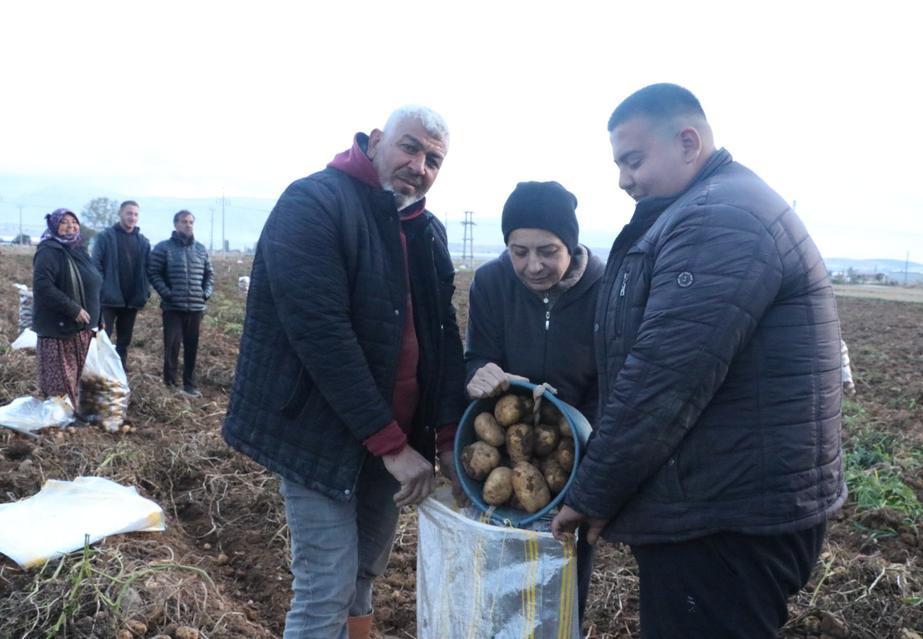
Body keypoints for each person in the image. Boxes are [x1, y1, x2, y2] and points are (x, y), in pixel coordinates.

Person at [551, 83, 846, 638]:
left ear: (689, 141)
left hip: (724, 519)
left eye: (633, 160)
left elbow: (664, 379)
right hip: (719, 503)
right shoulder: (708, 208)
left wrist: (593, 492)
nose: (623, 179)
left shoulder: (720, 219)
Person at [221, 105, 466, 639]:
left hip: (393, 436)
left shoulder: (426, 230)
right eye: (410, 147)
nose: (419, 166)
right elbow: (321, 334)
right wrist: (392, 447)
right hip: (322, 431)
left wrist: (446, 433)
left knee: (362, 575)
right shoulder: (314, 202)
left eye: (433, 160)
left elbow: (443, 335)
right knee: (325, 585)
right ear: (377, 140)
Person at [461, 180, 603, 632]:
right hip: (507, 442)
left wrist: (588, 449)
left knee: (564, 584)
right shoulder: (491, 282)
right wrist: (479, 372)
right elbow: (475, 358)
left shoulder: (607, 285)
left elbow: (614, 379)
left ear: (572, 244)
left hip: (574, 454)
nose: (533, 265)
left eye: (548, 250)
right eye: (519, 251)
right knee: (500, 584)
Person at [31, 208, 103, 411]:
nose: (70, 225)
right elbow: (43, 287)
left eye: (74, 221)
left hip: (82, 328)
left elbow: (94, 283)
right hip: (58, 329)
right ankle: (57, 421)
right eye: (64, 222)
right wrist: (73, 309)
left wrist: (100, 315)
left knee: (77, 378)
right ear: (54, 226)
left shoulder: (79, 248)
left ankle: (71, 415)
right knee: (60, 382)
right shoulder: (49, 251)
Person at [146, 210, 214, 397]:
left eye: (191, 222)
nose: (188, 225)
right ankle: (170, 384)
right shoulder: (163, 248)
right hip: (173, 308)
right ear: (176, 224)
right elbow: (153, 273)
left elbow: (209, 274)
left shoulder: (200, 249)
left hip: (195, 307)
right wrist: (167, 294)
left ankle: (190, 384)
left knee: (192, 346)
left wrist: (205, 293)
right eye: (184, 221)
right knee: (172, 347)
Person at [91, 200, 151, 370]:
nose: (132, 217)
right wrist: (101, 290)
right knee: (102, 340)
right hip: (108, 300)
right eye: (129, 213)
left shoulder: (143, 242)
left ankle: (119, 375)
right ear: (120, 214)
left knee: (124, 342)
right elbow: (95, 265)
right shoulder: (105, 237)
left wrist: (145, 292)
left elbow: (149, 269)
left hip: (131, 300)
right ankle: (98, 374)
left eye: (135, 214)